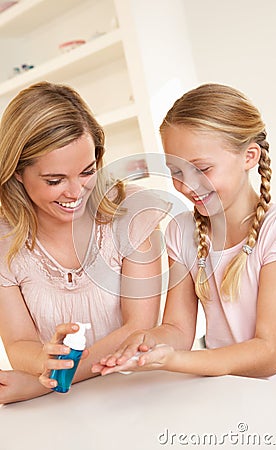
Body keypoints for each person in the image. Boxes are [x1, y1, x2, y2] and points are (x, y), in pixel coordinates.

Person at [96, 83, 276, 381]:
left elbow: (269, 354)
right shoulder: (181, 231)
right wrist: (149, 343)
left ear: (249, 157)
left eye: (202, 169)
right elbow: (177, 329)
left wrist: (176, 360)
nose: (187, 185)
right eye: (176, 171)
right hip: (228, 393)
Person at [0, 81, 170, 403]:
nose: (76, 192)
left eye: (87, 171)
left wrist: (46, 381)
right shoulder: (5, 241)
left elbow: (138, 327)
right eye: (55, 180)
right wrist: (40, 361)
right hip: (58, 408)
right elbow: (20, 342)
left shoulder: (131, 213)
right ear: (18, 173)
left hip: (135, 394)